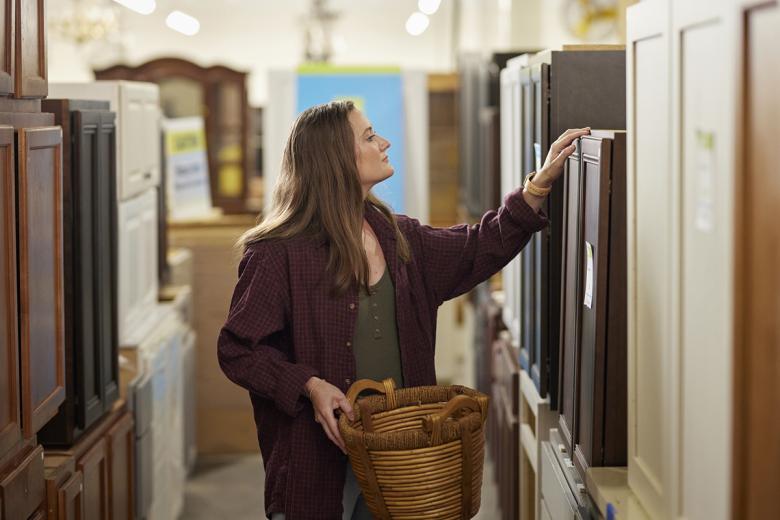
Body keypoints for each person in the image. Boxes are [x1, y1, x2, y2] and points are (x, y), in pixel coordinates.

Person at [217, 99, 589, 520]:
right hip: (314, 465)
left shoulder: (399, 238)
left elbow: (480, 245)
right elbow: (239, 349)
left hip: (404, 461)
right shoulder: (276, 254)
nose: (385, 142)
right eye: (370, 136)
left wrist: (538, 185)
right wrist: (309, 384)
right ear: (337, 157)